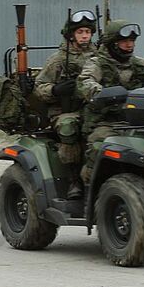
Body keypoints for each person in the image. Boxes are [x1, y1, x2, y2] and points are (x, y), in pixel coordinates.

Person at [77, 19, 144, 186]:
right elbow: (86, 82)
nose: (130, 45)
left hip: (138, 121)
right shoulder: (96, 63)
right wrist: (101, 94)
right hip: (106, 122)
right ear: (112, 44)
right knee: (99, 145)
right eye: (125, 41)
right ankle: (89, 187)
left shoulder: (140, 64)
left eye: (132, 41)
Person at [36, 10, 97, 199]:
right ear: (71, 34)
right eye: (80, 32)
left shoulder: (101, 57)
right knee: (69, 127)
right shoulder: (58, 60)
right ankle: (74, 181)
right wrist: (55, 90)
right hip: (65, 110)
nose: (85, 36)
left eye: (87, 31)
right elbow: (39, 87)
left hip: (94, 109)